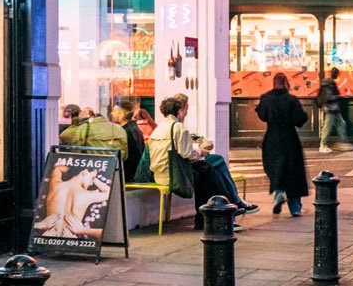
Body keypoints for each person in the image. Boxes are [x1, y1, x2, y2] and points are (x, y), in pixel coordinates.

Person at [147, 94, 258, 229]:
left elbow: (198, 143)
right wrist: (201, 152)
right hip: (176, 175)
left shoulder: (159, 128)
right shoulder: (178, 127)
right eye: (186, 107)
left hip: (161, 174)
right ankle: (229, 208)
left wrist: (199, 144)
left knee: (209, 168)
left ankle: (212, 215)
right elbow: (187, 153)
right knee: (211, 170)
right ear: (181, 110)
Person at [255, 73, 309, 217]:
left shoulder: (266, 98)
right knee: (293, 171)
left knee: (274, 167)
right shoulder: (291, 100)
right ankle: (295, 207)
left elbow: (262, 115)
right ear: (286, 83)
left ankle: (278, 192)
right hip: (289, 137)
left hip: (272, 137)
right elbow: (300, 120)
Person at [59, 103, 128, 153]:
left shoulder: (83, 128)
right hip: (114, 167)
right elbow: (125, 155)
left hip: (90, 167)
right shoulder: (119, 129)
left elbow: (63, 136)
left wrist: (79, 121)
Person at [110, 104, 147, 182]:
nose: (112, 113)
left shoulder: (125, 132)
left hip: (127, 175)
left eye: (114, 111)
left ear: (122, 113)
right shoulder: (132, 129)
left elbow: (127, 157)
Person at [317, 67, 348, 154]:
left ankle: (343, 142)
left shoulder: (329, 83)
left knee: (341, 123)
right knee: (328, 127)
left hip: (333, 108)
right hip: (330, 108)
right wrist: (339, 97)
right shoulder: (329, 84)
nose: (337, 75)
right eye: (337, 74)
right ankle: (323, 145)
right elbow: (329, 97)